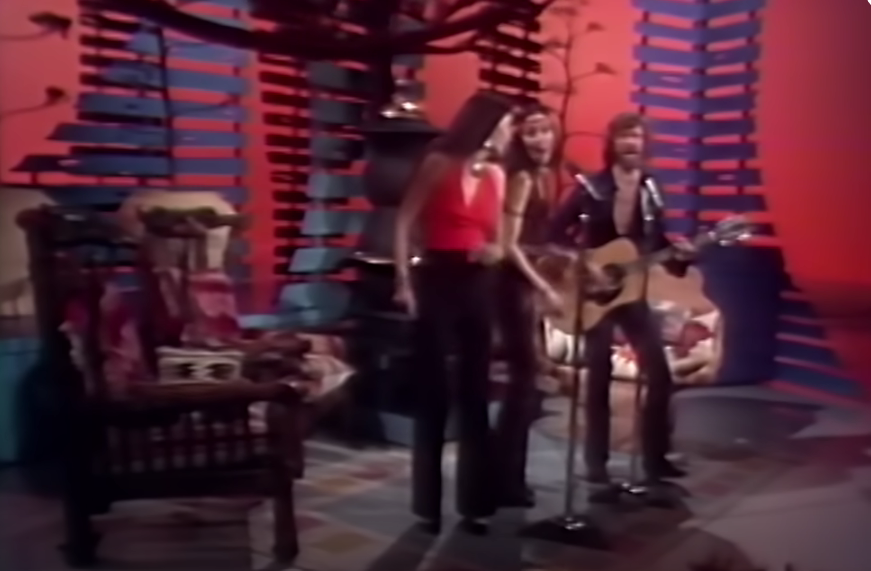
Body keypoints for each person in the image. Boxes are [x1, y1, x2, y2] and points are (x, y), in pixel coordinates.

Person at [546, 112, 695, 484]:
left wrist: (681, 256)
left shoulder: (652, 190)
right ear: (612, 144)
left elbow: (657, 244)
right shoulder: (591, 188)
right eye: (625, 137)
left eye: (638, 137)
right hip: (592, 294)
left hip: (632, 293)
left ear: (646, 144)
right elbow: (554, 233)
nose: (632, 144)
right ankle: (596, 463)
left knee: (660, 374)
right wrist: (584, 264)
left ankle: (656, 459)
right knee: (598, 376)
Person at [392, 90, 516, 534]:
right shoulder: (438, 163)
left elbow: (499, 240)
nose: (511, 134)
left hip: (477, 283)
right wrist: (404, 281)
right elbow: (404, 222)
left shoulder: (498, 176)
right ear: (487, 125)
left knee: (475, 394)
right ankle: (427, 506)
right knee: (434, 394)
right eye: (507, 125)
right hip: (437, 279)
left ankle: (474, 506)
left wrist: (495, 252)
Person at [493, 103, 563, 507]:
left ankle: (509, 477)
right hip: (510, 287)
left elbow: (535, 240)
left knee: (527, 384)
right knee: (522, 384)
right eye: (531, 131)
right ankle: (504, 481)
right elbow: (509, 245)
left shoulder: (545, 176)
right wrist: (543, 287)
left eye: (545, 130)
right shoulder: (520, 178)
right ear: (519, 138)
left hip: (525, 286)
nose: (540, 139)